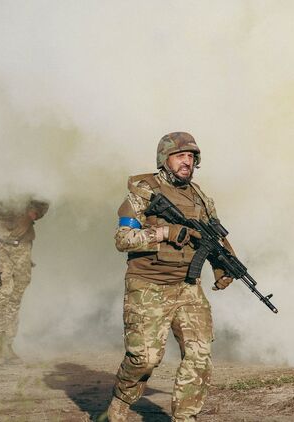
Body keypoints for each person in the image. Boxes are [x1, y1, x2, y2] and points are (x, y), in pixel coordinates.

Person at [100, 132, 235, 422]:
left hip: (188, 287)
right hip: (148, 285)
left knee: (199, 355)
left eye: (191, 157)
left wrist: (223, 266)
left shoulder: (201, 198)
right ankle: (121, 400)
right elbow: (123, 239)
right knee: (144, 359)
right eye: (180, 156)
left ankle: (186, 417)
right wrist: (164, 232)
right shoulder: (144, 192)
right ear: (164, 159)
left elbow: (214, 238)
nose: (187, 162)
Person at [0, 196, 49, 365]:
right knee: (0, 289)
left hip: (21, 235)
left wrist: (31, 215)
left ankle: (7, 344)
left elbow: (44, 195)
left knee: (17, 290)